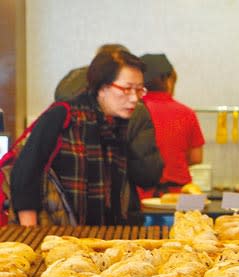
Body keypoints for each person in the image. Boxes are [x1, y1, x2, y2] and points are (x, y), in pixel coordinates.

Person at [11, 49, 151, 226]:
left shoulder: (118, 124)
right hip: (56, 234)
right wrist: (29, 231)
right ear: (102, 87)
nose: (134, 98)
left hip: (100, 236)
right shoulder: (63, 115)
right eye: (126, 89)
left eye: (139, 90)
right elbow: (25, 172)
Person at [136, 53, 205, 197]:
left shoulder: (133, 110)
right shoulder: (187, 113)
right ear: (167, 80)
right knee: (194, 219)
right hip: (182, 194)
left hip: (143, 195)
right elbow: (196, 158)